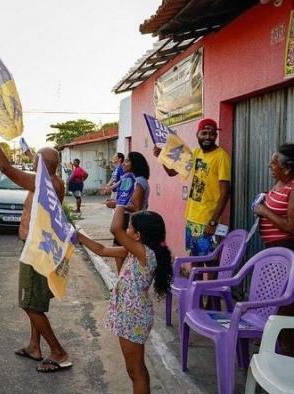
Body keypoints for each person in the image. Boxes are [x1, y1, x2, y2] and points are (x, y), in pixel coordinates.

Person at [0, 128, 71, 373]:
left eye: (35, 161)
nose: (32, 163)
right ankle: (35, 346)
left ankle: (59, 352)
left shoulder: (46, 184)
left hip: (37, 251)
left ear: (43, 165)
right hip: (38, 248)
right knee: (36, 301)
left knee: (29, 303)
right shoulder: (52, 182)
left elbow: (5, 169)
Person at [78, 207, 171, 394]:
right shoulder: (135, 252)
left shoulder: (146, 254)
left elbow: (115, 229)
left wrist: (120, 202)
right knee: (134, 370)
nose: (126, 230)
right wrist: (77, 235)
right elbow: (102, 249)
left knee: (136, 371)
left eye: (130, 228)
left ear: (137, 236)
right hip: (129, 316)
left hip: (133, 318)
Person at [153, 118, 231, 259]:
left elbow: (225, 192)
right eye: (204, 133)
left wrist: (213, 221)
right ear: (197, 134)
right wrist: (162, 156)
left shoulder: (222, 157)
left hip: (207, 220)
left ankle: (209, 283)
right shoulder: (195, 153)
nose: (208, 137)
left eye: (212, 134)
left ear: (216, 136)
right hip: (192, 217)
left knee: (210, 260)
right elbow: (172, 172)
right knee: (195, 258)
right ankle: (195, 282)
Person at [253, 143, 294, 356]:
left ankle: (286, 352)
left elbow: (291, 227)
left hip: (286, 252)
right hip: (273, 251)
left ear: (287, 168)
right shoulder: (279, 182)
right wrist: (264, 200)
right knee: (271, 298)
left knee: (285, 304)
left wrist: (265, 211)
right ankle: (271, 339)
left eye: (274, 162)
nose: (270, 165)